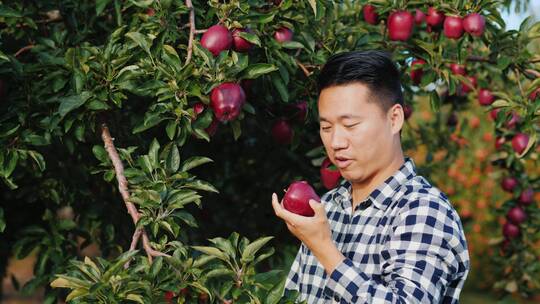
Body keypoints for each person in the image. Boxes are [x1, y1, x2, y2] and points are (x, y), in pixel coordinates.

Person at [271, 50, 470, 303]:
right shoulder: (328, 206)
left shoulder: (424, 210)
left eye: (350, 125)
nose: (336, 142)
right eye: (326, 127)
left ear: (394, 118)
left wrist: (325, 249)